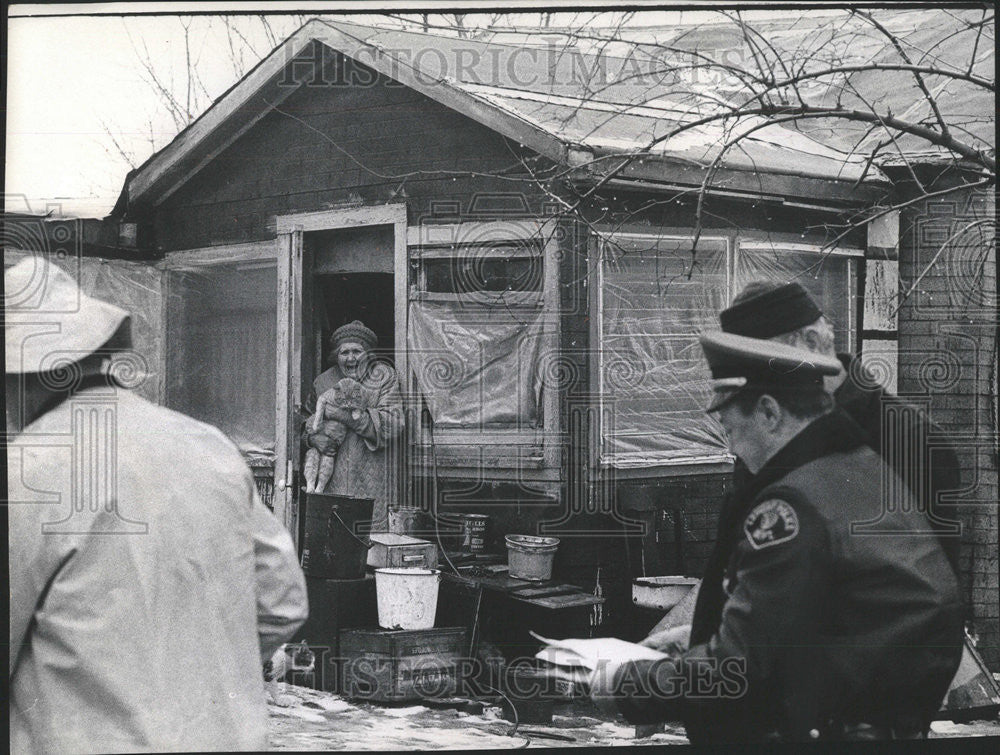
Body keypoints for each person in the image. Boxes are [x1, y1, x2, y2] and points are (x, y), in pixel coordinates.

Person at [591, 332, 963, 743]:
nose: (734, 450)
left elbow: (740, 671)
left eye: (731, 430)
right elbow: (835, 612)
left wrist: (627, 684)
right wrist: (697, 634)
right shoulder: (859, 471)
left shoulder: (791, 505)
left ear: (769, 412)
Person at [6, 258, 308, 753]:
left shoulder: (24, 470)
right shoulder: (206, 444)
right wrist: (199, 683)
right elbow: (281, 602)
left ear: (30, 375)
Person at [646, 280, 963, 661]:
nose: (757, 384)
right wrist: (703, 636)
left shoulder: (907, 440)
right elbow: (754, 575)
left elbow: (916, 611)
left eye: (762, 360)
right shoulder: (769, 425)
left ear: (812, 344)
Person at [302, 320, 403, 531]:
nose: (350, 358)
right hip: (331, 484)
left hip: (371, 485)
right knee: (332, 548)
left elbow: (392, 425)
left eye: (357, 351)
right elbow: (303, 423)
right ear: (336, 356)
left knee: (371, 549)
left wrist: (340, 415)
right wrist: (312, 438)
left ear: (368, 354)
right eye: (344, 352)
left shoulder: (384, 377)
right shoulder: (323, 382)